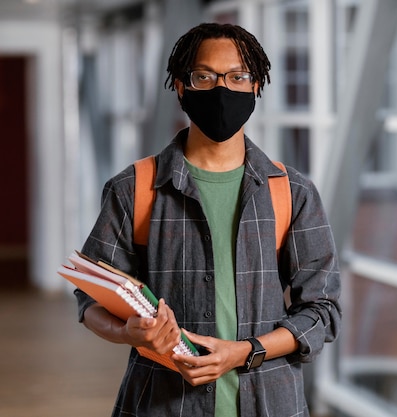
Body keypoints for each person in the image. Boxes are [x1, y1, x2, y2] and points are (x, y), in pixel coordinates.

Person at [74, 22, 341, 417]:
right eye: (205, 76)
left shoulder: (292, 192)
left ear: (256, 87)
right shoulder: (134, 188)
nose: (222, 89)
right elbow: (91, 297)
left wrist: (245, 353)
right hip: (161, 404)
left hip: (271, 403)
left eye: (238, 76)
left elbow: (322, 311)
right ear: (181, 87)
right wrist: (125, 331)